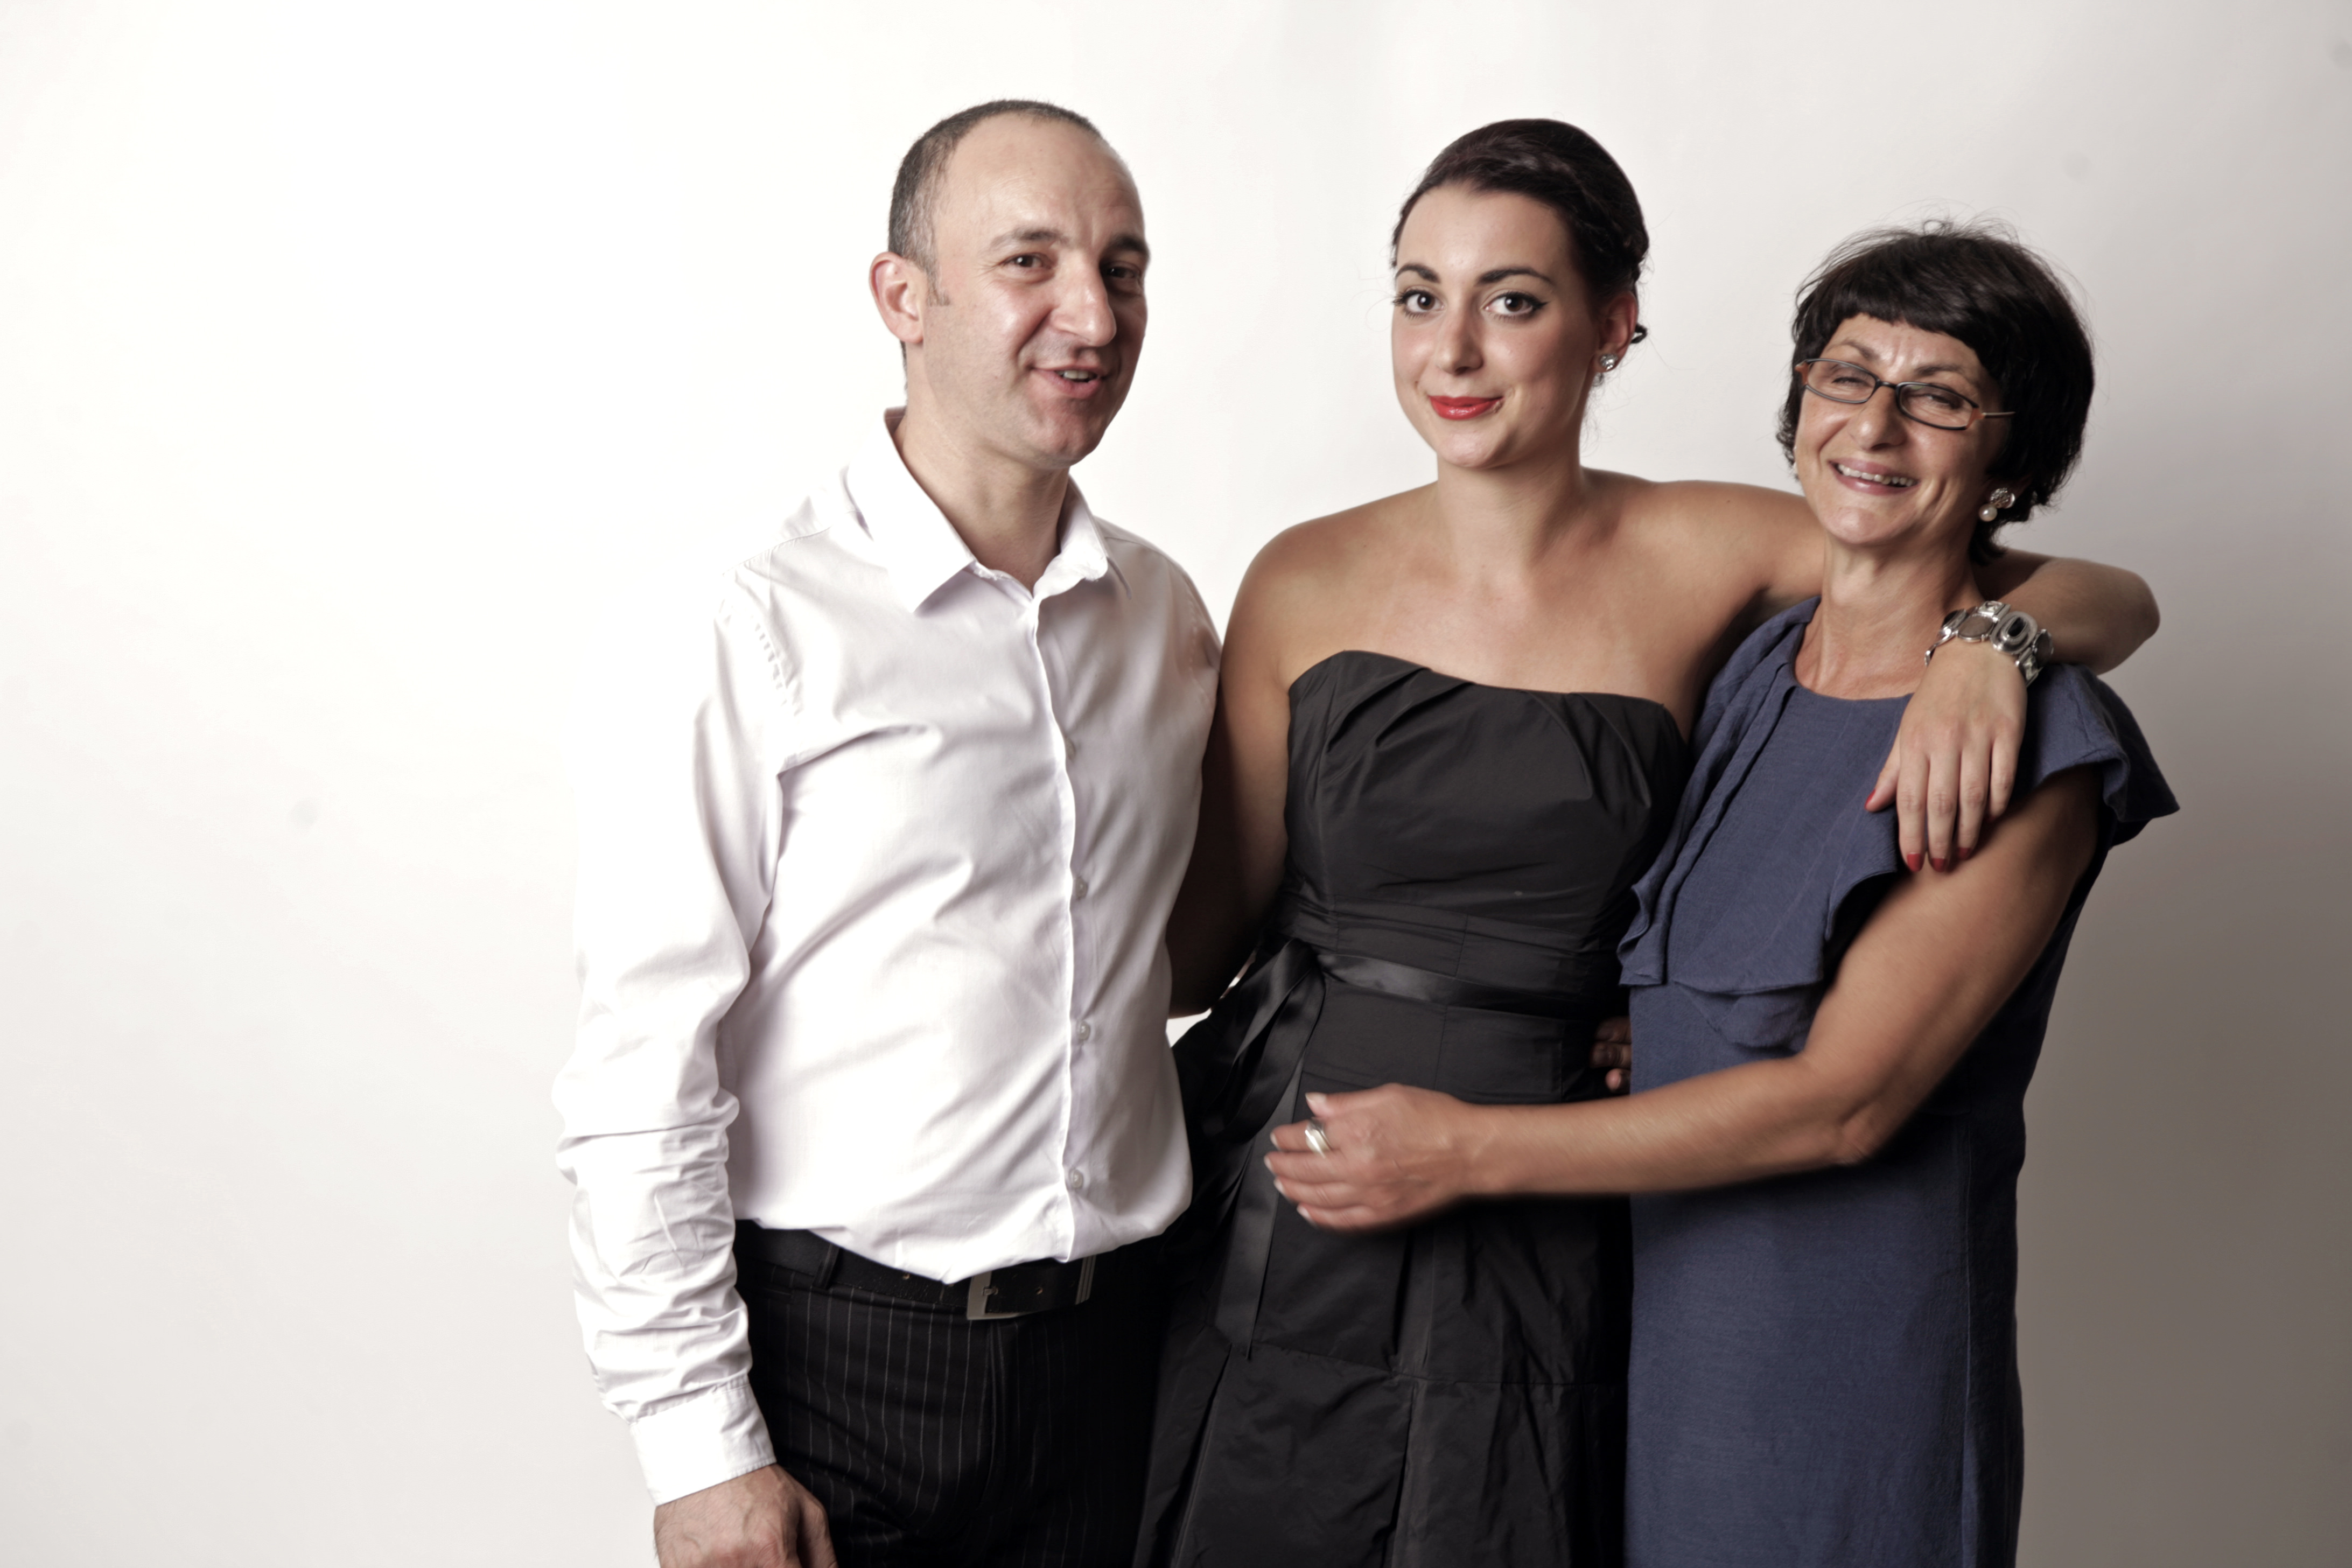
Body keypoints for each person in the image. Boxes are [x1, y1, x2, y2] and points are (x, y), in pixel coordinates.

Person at [1139, 123, 2160, 1567]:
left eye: (1513, 299)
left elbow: (2088, 588)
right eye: (1420, 295)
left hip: (1565, 1180)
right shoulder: (1299, 574)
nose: (1453, 350)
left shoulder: (1723, 552)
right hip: (1306, 1153)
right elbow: (1202, 945)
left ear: (1615, 324)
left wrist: (1996, 646)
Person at [555, 101, 1217, 1568]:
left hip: (1121, 1367)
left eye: (1121, 268)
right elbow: (644, 1062)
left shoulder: (1165, 616)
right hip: (835, 1379)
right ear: (902, 298)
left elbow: (1201, 939)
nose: (1092, 315)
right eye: (1029, 262)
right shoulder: (748, 622)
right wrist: (699, 1451)